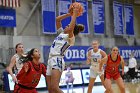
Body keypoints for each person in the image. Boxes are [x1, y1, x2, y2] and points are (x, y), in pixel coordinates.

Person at [46, 3, 84, 93]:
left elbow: (71, 28)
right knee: (50, 89)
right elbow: (57, 20)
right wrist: (69, 14)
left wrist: (75, 14)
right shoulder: (61, 33)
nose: (66, 26)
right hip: (50, 60)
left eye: (68, 26)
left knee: (55, 88)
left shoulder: (70, 38)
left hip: (57, 59)